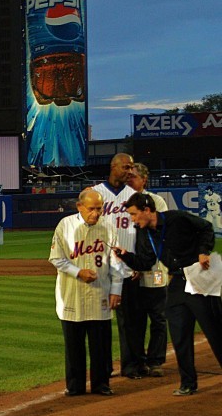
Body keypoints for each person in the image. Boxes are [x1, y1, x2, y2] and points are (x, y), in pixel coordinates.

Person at [116, 193, 222, 396]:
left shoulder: (177, 218)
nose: (132, 219)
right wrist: (126, 256)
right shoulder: (145, 233)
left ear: (147, 210)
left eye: (134, 214)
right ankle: (188, 383)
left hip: (200, 278)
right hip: (177, 283)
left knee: (215, 331)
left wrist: (203, 251)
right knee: (179, 334)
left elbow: (206, 228)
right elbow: (146, 262)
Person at [49, 189, 123, 396]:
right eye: (91, 209)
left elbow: (116, 262)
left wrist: (116, 290)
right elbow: (56, 258)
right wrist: (77, 271)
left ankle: (102, 384)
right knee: (74, 346)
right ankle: (75, 386)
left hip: (100, 292)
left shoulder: (108, 227)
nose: (96, 213)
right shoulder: (65, 226)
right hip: (72, 293)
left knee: (101, 344)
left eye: (99, 208)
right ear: (79, 207)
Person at [92, 153, 143, 379]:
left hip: (127, 267)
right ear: (113, 167)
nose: (129, 171)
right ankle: (103, 368)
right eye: (125, 166)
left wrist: (138, 262)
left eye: (131, 167)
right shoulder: (94, 194)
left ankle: (130, 366)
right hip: (101, 267)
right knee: (99, 323)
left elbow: (141, 230)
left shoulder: (134, 195)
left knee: (129, 322)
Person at [130, 163, 169, 376]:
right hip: (132, 271)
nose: (130, 180)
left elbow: (159, 234)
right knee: (135, 320)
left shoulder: (157, 201)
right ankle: (137, 362)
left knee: (157, 317)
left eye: (134, 177)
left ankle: (155, 361)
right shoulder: (123, 204)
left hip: (154, 269)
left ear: (144, 179)